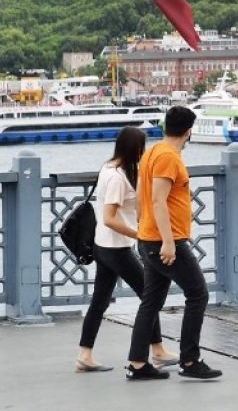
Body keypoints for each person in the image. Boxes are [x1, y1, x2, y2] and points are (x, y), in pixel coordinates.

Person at [127, 106, 222, 380]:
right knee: (198, 294)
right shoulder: (169, 157)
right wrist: (168, 242)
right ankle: (190, 361)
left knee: (151, 301)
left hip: (149, 237)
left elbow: (142, 195)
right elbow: (158, 199)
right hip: (166, 241)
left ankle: (137, 363)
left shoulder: (153, 152)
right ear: (189, 130)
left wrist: (142, 225)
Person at [76, 126, 178, 373]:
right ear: (135, 149)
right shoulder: (116, 177)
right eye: (142, 148)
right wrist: (140, 234)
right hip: (115, 248)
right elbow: (110, 218)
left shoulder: (109, 167)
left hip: (104, 245)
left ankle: (85, 354)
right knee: (150, 297)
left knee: (100, 301)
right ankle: (157, 350)